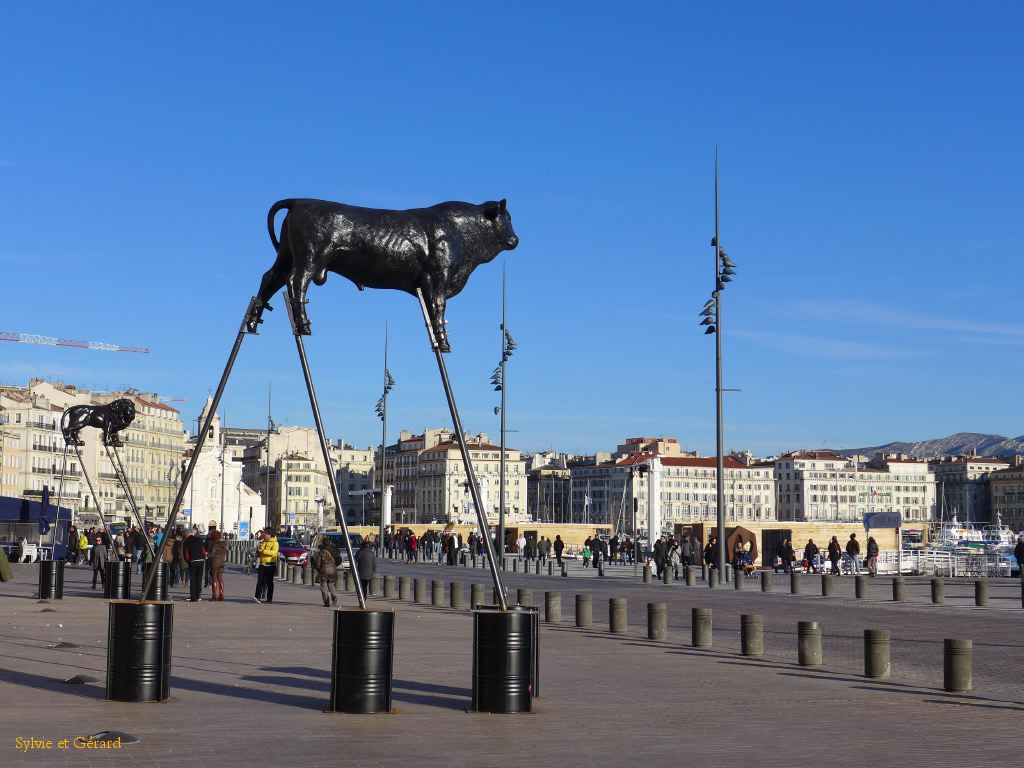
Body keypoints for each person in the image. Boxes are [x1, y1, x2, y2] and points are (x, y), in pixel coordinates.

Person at [254, 529, 279, 603]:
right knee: (260, 581)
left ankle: (269, 598)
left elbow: (274, 553)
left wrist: (264, 551)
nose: (264, 535)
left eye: (266, 534)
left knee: (269, 582)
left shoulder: (275, 543)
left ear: (270, 535)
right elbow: (259, 550)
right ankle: (257, 597)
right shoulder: (263, 542)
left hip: (270, 565)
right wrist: (258, 552)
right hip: (262, 564)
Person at [182, 530, 207, 602]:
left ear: (186, 535)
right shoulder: (199, 539)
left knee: (193, 579)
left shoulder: (186, 542)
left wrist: (188, 561)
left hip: (193, 561)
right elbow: (203, 550)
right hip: (201, 561)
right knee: (199, 579)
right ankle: (198, 596)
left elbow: (186, 554)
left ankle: (193, 597)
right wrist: (203, 558)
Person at [315, 540, 339, 607]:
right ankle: (335, 597)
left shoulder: (321, 552)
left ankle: (326, 602)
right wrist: (334, 566)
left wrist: (319, 570)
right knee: (331, 585)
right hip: (333, 571)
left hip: (324, 571)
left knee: (323, 587)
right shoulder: (334, 551)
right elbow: (339, 559)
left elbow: (318, 564)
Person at [208, 530, 228, 600]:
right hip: (222, 562)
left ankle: (214, 596)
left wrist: (207, 555)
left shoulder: (215, 544)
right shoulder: (224, 544)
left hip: (215, 563)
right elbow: (226, 552)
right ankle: (221, 595)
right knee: (220, 579)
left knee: (214, 579)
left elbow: (212, 554)